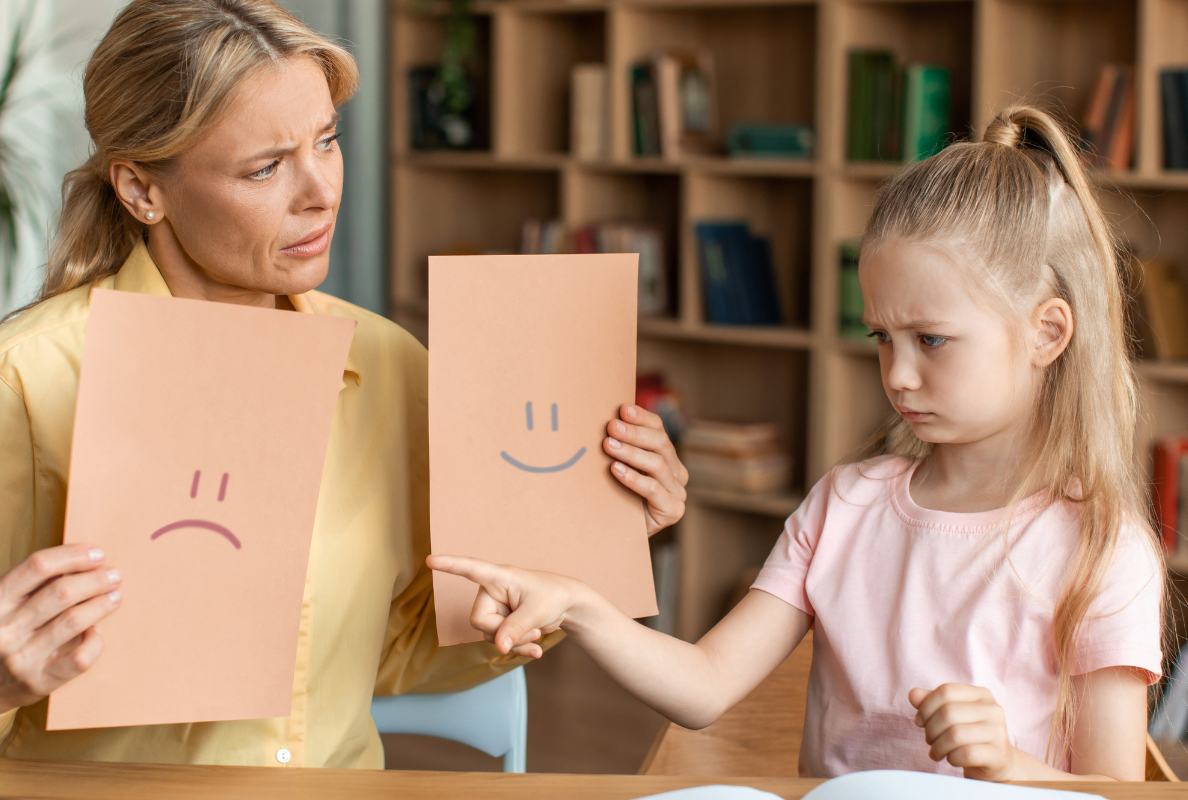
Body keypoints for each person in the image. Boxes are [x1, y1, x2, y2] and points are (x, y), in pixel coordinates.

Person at [0, 0, 687, 767]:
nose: (321, 191)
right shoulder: (26, 382)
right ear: (141, 190)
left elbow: (391, 653)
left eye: (327, 142)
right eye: (265, 167)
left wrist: (584, 549)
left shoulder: (390, 366)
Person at [431, 105, 1166, 782]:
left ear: (1047, 332)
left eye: (932, 340)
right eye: (882, 338)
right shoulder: (845, 506)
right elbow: (704, 685)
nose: (899, 375)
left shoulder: (1101, 547)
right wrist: (581, 604)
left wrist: (1009, 765)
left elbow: (1119, 794)